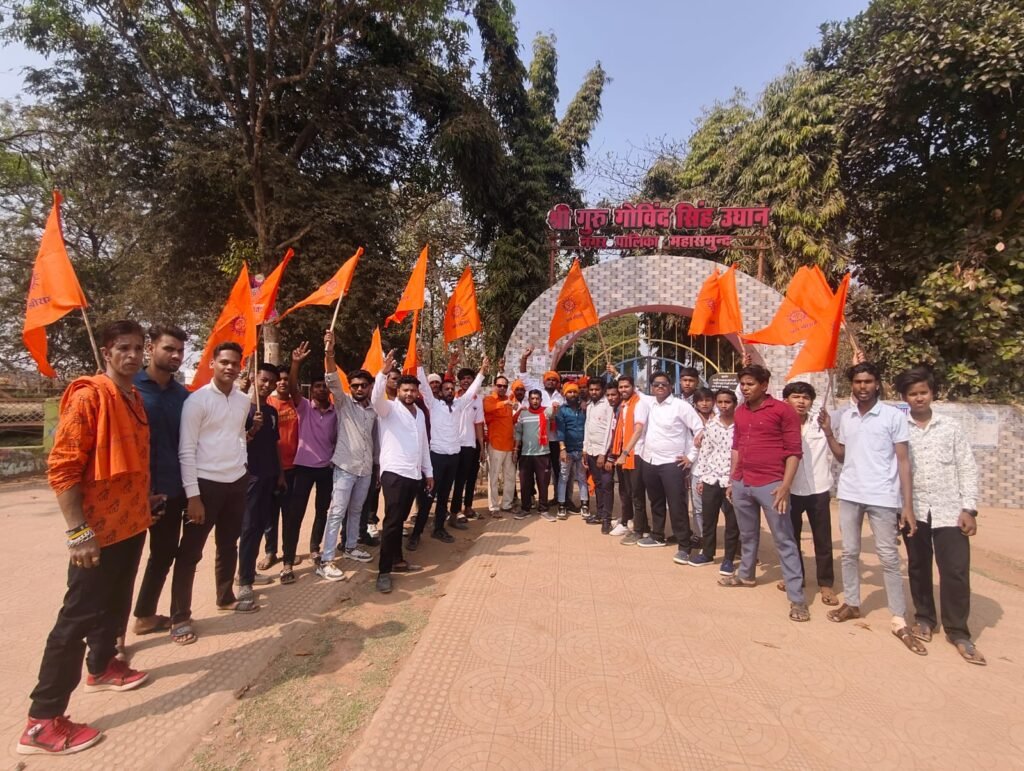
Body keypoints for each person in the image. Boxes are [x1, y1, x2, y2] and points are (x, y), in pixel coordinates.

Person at [19, 321, 153, 756]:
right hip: (95, 532)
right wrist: (78, 532)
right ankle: (42, 721)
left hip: (130, 524)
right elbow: (62, 467)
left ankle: (102, 666)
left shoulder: (133, 397)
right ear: (107, 352)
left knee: (114, 603)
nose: (132, 355)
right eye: (123, 348)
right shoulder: (89, 396)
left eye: (138, 348)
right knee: (76, 618)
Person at [819, 362, 923, 653]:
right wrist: (828, 433)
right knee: (849, 552)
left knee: (888, 557)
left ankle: (899, 617)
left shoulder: (893, 416)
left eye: (868, 381)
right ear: (852, 385)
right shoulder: (847, 417)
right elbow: (842, 456)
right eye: (857, 382)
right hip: (850, 493)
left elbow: (903, 461)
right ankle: (852, 603)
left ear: (877, 383)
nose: (862, 386)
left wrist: (907, 505)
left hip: (883, 497)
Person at [895, 367, 983, 664]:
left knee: (955, 571)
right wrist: (898, 510)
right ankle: (924, 618)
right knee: (918, 567)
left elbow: (967, 467)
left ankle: (958, 631)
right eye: (912, 394)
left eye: (923, 392)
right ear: (904, 397)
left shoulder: (951, 427)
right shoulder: (899, 429)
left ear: (933, 393)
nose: (919, 398)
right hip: (914, 510)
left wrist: (969, 508)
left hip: (950, 511)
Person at [720, 365, 809, 624]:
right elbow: (737, 447)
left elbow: (794, 452)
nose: (745, 388)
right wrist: (733, 479)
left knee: (784, 540)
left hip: (771, 485)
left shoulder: (783, 411)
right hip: (742, 483)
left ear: (764, 385)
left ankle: (797, 598)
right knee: (747, 534)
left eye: (750, 384)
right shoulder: (740, 412)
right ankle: (746, 575)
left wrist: (785, 486)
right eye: (742, 384)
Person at [178, 341, 257, 621]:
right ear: (212, 364)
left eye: (235, 363)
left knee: (228, 544)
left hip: (236, 482)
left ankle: (225, 598)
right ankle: (180, 616)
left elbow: (239, 436)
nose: (230, 367)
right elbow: (186, 450)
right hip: (205, 485)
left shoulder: (243, 400)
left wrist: (242, 466)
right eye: (224, 362)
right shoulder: (196, 401)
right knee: (190, 552)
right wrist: (193, 496)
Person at [131, 325, 191, 644]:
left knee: (163, 555)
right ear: (150, 348)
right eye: (169, 348)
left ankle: (144, 616)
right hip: (130, 495)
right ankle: (112, 642)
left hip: (171, 491)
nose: (176, 355)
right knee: (122, 565)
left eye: (180, 350)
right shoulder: (128, 388)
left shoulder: (184, 396)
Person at [315, 331, 378, 581]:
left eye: (363, 385)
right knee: (336, 512)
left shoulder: (374, 410)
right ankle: (326, 560)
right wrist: (329, 351)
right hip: (344, 468)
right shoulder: (343, 403)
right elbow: (331, 377)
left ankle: (350, 546)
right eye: (355, 386)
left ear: (370, 387)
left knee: (356, 510)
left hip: (365, 469)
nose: (359, 389)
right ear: (349, 388)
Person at [371, 350, 433, 593]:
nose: (409, 394)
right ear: (397, 391)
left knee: (399, 521)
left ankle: (397, 560)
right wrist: (382, 373)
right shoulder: (388, 409)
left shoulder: (419, 414)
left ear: (417, 393)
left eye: (413, 391)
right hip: (394, 474)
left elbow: (424, 445)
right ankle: (383, 572)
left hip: (414, 475)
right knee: (392, 522)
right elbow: (375, 399)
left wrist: (428, 472)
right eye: (405, 390)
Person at [413, 355, 487, 548]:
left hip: (453, 457)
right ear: (440, 392)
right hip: (436, 457)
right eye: (445, 389)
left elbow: (472, 390)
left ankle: (439, 528)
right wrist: (419, 364)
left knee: (444, 496)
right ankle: (416, 533)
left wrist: (482, 371)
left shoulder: (459, 405)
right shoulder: (433, 404)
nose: (448, 391)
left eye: (451, 389)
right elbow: (423, 386)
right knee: (429, 496)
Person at [636, 371, 704, 558]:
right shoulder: (649, 404)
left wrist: (691, 456)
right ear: (651, 387)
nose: (660, 387)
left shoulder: (681, 406)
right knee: (656, 502)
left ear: (671, 386)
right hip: (650, 461)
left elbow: (699, 430)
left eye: (663, 384)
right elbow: (633, 391)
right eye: (656, 384)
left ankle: (684, 546)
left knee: (676, 505)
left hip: (672, 464)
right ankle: (657, 535)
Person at [781, 381, 837, 606]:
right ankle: (796, 577)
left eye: (805, 397)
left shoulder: (820, 423)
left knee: (822, 539)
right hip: (791, 490)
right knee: (791, 538)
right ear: (786, 400)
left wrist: (828, 430)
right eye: (796, 397)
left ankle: (826, 584)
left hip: (818, 489)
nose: (801, 401)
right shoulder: (780, 425)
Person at [284, 344, 338, 565]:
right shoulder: (304, 407)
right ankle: (288, 560)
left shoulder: (336, 412)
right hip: (303, 470)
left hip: (326, 470)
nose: (322, 389)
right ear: (311, 390)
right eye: (317, 386)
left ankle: (315, 548)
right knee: (295, 514)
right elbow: (292, 389)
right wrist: (295, 364)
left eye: (325, 386)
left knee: (322, 511)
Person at [237, 363, 285, 597]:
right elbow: (234, 442)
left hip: (269, 475)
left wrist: (280, 473)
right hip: (250, 477)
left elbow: (275, 444)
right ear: (254, 378)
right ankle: (244, 580)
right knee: (248, 526)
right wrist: (252, 430)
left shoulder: (272, 412)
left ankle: (249, 571)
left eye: (271, 382)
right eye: (263, 380)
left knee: (260, 525)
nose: (267, 385)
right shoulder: (242, 408)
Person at [692, 389, 739, 573]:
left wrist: (736, 480)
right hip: (711, 478)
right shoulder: (712, 425)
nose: (723, 406)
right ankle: (707, 553)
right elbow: (705, 452)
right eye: (720, 402)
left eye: (727, 402)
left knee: (732, 522)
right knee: (709, 519)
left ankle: (728, 559)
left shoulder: (741, 425)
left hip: (731, 481)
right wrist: (701, 478)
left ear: (734, 403)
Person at [262, 363, 299, 571]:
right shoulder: (267, 403)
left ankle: (288, 553)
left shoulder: (298, 404)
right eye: (280, 379)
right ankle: (270, 552)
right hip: (271, 468)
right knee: (270, 514)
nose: (283, 382)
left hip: (294, 468)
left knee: (290, 514)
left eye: (286, 379)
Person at [519, 347, 565, 502]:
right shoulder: (537, 392)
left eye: (554, 380)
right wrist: (524, 358)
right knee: (534, 470)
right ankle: (531, 497)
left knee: (556, 470)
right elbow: (523, 376)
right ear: (544, 381)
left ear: (557, 383)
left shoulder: (561, 397)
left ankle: (558, 498)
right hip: (538, 441)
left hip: (555, 439)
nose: (551, 381)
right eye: (548, 379)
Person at [611, 374, 650, 543]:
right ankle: (643, 527)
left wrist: (625, 453)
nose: (623, 390)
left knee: (636, 494)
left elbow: (638, 430)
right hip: (626, 453)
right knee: (630, 491)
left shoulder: (639, 404)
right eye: (620, 387)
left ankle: (639, 531)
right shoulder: (624, 405)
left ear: (633, 387)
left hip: (636, 454)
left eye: (626, 386)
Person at [449, 366, 486, 525]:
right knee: (458, 479)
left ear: (473, 381)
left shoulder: (478, 400)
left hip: (471, 444)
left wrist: (481, 447)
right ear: (459, 381)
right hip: (455, 444)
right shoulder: (453, 398)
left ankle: (468, 507)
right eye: (463, 378)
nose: (466, 381)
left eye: (469, 378)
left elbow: (478, 424)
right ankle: (455, 510)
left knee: (471, 477)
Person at [583, 378, 617, 533]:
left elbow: (610, 431)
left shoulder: (608, 405)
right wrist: (585, 449)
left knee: (606, 485)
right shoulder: (590, 405)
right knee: (597, 484)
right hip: (591, 451)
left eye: (597, 389)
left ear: (602, 390)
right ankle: (600, 513)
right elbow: (587, 428)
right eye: (591, 390)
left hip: (603, 452)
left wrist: (603, 453)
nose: (594, 392)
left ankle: (606, 520)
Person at [513, 389, 553, 517]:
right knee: (525, 484)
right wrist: (516, 450)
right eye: (532, 398)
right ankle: (525, 509)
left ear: (541, 400)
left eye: (537, 398)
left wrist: (556, 406)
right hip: (526, 455)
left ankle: (543, 509)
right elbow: (518, 433)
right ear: (529, 400)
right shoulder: (523, 414)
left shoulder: (546, 412)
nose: (535, 401)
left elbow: (556, 409)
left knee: (543, 483)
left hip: (543, 454)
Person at [483, 374, 518, 518]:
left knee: (510, 477)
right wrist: (505, 403)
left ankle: (507, 504)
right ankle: (493, 507)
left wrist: (519, 411)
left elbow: (511, 422)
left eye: (505, 386)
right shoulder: (489, 399)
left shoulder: (509, 401)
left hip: (509, 445)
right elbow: (487, 409)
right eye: (499, 385)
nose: (502, 388)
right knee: (494, 477)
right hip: (496, 444)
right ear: (494, 386)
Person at [553, 382, 588, 521]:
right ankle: (562, 505)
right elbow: (560, 431)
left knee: (582, 478)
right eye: (570, 392)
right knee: (563, 478)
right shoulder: (562, 410)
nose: (572, 394)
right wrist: (562, 449)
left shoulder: (584, 409)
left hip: (582, 449)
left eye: (574, 392)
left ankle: (584, 505)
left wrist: (586, 449)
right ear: (565, 394)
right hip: (567, 450)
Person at [689, 387, 716, 550]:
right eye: (700, 400)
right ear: (695, 403)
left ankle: (735, 540)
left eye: (708, 400)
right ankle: (700, 536)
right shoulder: (690, 419)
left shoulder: (721, 418)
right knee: (698, 506)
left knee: (726, 507)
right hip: (697, 468)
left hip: (718, 469)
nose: (704, 404)